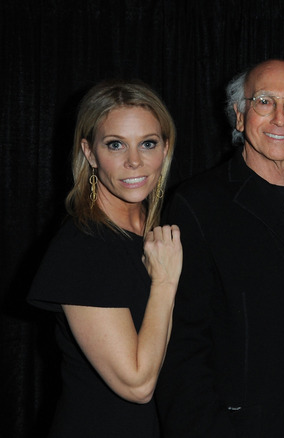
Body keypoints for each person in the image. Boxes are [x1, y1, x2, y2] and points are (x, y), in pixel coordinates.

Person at [154, 59, 284, 437]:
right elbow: (181, 343)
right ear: (239, 115)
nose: (280, 117)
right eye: (264, 101)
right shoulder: (196, 203)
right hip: (239, 425)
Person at [27, 80, 181, 437]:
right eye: (115, 144)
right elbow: (137, 384)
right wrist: (165, 281)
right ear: (89, 152)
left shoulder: (158, 230)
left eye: (148, 143)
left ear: (165, 148)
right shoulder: (81, 246)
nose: (134, 161)